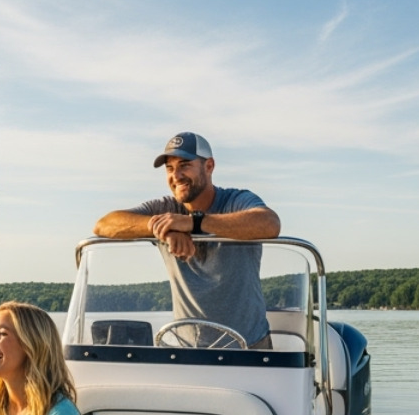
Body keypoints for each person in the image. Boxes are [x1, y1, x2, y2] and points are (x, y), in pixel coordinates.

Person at [94, 131, 280, 347]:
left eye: (184, 165)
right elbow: (104, 224)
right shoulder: (166, 210)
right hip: (186, 352)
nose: (176, 175)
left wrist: (194, 223)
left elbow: (269, 223)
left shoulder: (237, 200)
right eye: (170, 168)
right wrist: (165, 228)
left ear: (209, 166)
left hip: (250, 346)